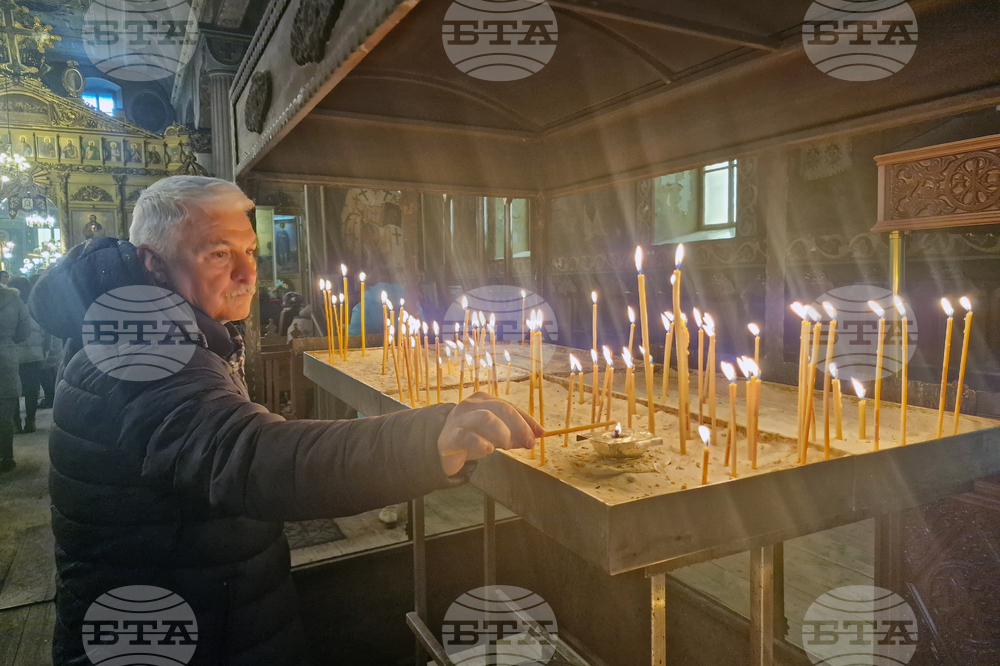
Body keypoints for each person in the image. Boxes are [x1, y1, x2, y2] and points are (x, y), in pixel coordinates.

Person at [28, 175, 541, 665]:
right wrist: (426, 440)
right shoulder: (139, 351)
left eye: (250, 251)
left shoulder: (141, 323)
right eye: (219, 254)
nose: (250, 274)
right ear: (153, 264)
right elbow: (245, 455)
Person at [0, 279, 28, 472]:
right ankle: (6, 457)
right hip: (6, 355)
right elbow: (24, 331)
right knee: (5, 411)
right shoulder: (14, 299)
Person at [8, 277, 42, 433]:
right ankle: (30, 420)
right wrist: (46, 350)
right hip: (34, 354)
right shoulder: (36, 306)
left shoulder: (9, 305)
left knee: (13, 390)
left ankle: (15, 421)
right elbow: (45, 330)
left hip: (12, 353)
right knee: (32, 389)